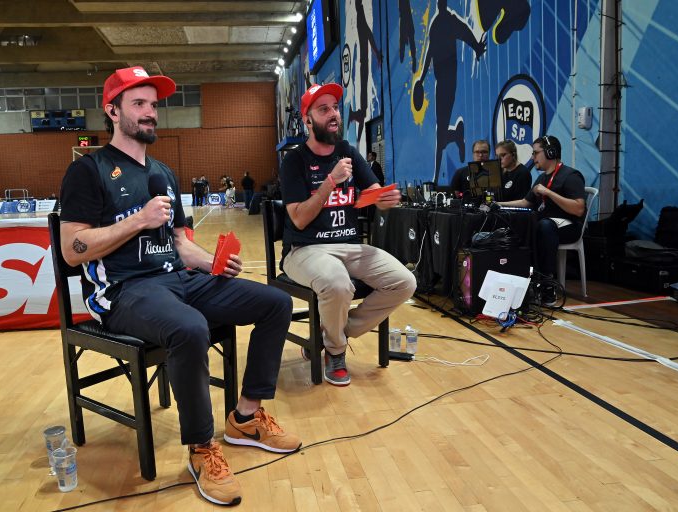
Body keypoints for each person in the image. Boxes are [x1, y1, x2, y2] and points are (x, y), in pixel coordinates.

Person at [58, 66, 300, 506]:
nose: (151, 112)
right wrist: (138, 220)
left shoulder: (163, 174)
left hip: (179, 279)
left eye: (153, 104)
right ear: (112, 111)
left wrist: (212, 262)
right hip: (124, 291)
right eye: (139, 103)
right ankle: (202, 448)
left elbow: (179, 244)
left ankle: (245, 417)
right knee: (190, 328)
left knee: (275, 302)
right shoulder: (88, 171)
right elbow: (72, 250)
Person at [279, 83, 417, 386]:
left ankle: (333, 334)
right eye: (324, 109)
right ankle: (336, 352)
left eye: (335, 108)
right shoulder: (294, 161)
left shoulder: (348, 152)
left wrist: (384, 199)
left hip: (350, 246)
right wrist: (329, 182)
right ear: (307, 120)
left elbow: (373, 193)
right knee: (337, 284)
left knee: (404, 282)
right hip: (304, 250)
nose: (334, 114)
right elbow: (299, 219)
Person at [497, 135, 586, 305]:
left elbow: (578, 208)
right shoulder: (542, 178)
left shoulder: (571, 175)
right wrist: (498, 204)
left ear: (550, 153)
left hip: (569, 226)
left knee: (544, 226)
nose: (533, 157)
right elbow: (525, 202)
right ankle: (523, 280)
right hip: (546, 225)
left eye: (536, 153)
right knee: (525, 225)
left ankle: (547, 285)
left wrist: (548, 193)